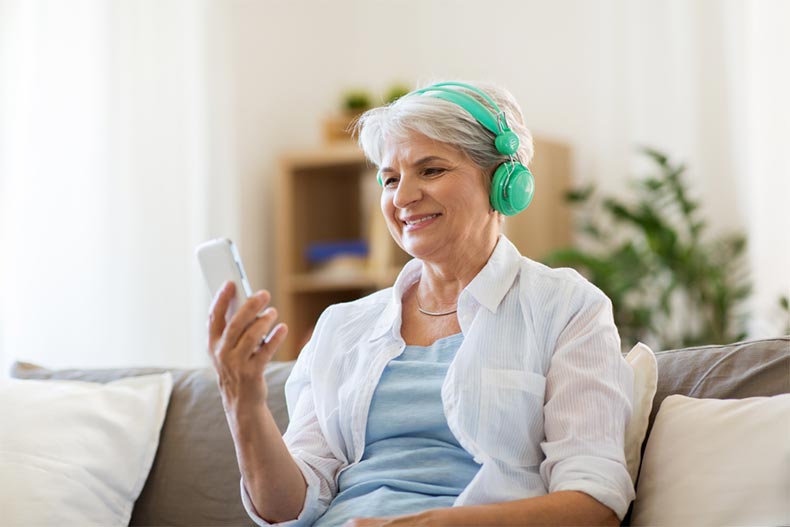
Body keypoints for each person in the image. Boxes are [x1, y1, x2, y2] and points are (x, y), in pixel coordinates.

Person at [207, 81, 635, 526]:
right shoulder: (342, 325)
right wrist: (245, 403)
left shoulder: (565, 307)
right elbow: (287, 510)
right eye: (390, 178)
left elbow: (594, 504)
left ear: (505, 182)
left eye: (430, 170)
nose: (403, 197)